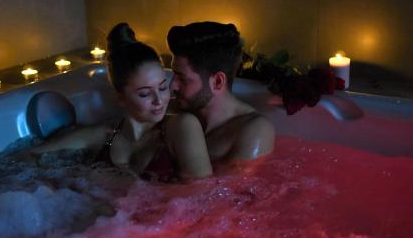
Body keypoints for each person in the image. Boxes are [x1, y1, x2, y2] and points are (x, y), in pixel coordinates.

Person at [32, 23, 212, 180]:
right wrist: (69, 180)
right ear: (121, 98)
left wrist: (121, 187)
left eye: (163, 88)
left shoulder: (182, 126)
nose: (159, 100)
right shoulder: (102, 137)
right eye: (144, 94)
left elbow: (202, 195)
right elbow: (25, 157)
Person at [167, 21, 275, 166]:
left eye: (182, 79)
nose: (172, 85)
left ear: (217, 81)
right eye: (173, 75)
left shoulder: (253, 130)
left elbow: (227, 188)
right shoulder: (174, 110)